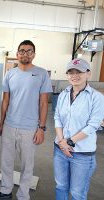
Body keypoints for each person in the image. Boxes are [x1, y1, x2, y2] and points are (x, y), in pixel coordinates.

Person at [0, 40, 53, 200]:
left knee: (27, 165)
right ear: (17, 54)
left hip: (30, 128)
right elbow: (5, 101)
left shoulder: (42, 73)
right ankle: (5, 191)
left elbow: (44, 102)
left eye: (29, 51)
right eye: (22, 51)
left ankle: (23, 195)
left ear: (34, 54)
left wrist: (41, 128)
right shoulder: (10, 74)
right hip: (10, 125)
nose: (25, 53)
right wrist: (2, 123)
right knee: (6, 162)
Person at [53, 58, 104, 200]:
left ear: (88, 73)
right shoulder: (63, 94)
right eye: (70, 72)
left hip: (81, 154)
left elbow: (93, 125)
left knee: (77, 193)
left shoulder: (96, 98)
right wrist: (62, 142)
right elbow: (57, 117)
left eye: (79, 72)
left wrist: (68, 142)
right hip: (60, 150)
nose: (74, 76)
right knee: (61, 186)